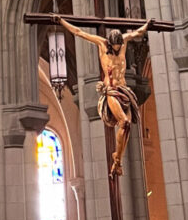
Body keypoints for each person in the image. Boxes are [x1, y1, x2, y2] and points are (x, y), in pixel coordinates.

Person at [56, 15, 151, 176]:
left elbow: (137, 33)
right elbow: (79, 32)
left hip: (124, 90)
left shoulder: (123, 41)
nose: (117, 49)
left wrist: (148, 24)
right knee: (125, 121)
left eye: (119, 46)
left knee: (127, 126)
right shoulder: (101, 44)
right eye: (115, 46)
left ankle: (117, 158)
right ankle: (118, 161)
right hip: (111, 91)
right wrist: (61, 21)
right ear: (109, 43)